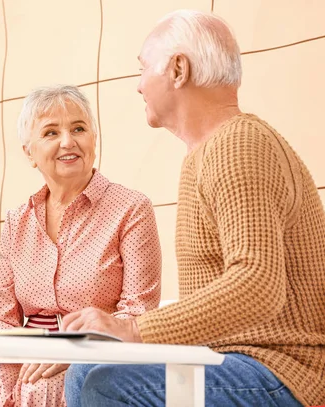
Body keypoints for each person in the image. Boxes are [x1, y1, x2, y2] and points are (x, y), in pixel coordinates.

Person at [63, 9, 325, 407]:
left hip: (284, 369)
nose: (138, 86)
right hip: (231, 359)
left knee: (106, 384)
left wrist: (132, 331)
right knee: (86, 371)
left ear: (178, 70)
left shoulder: (239, 144)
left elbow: (257, 285)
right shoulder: (205, 154)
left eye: (143, 69)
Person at [0, 85, 162, 407]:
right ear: (29, 152)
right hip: (27, 357)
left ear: (94, 138)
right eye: (51, 132)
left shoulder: (131, 208)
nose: (68, 141)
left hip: (98, 359)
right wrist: (18, 363)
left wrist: (73, 348)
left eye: (78, 128)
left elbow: (139, 311)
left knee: (48, 384)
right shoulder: (17, 221)